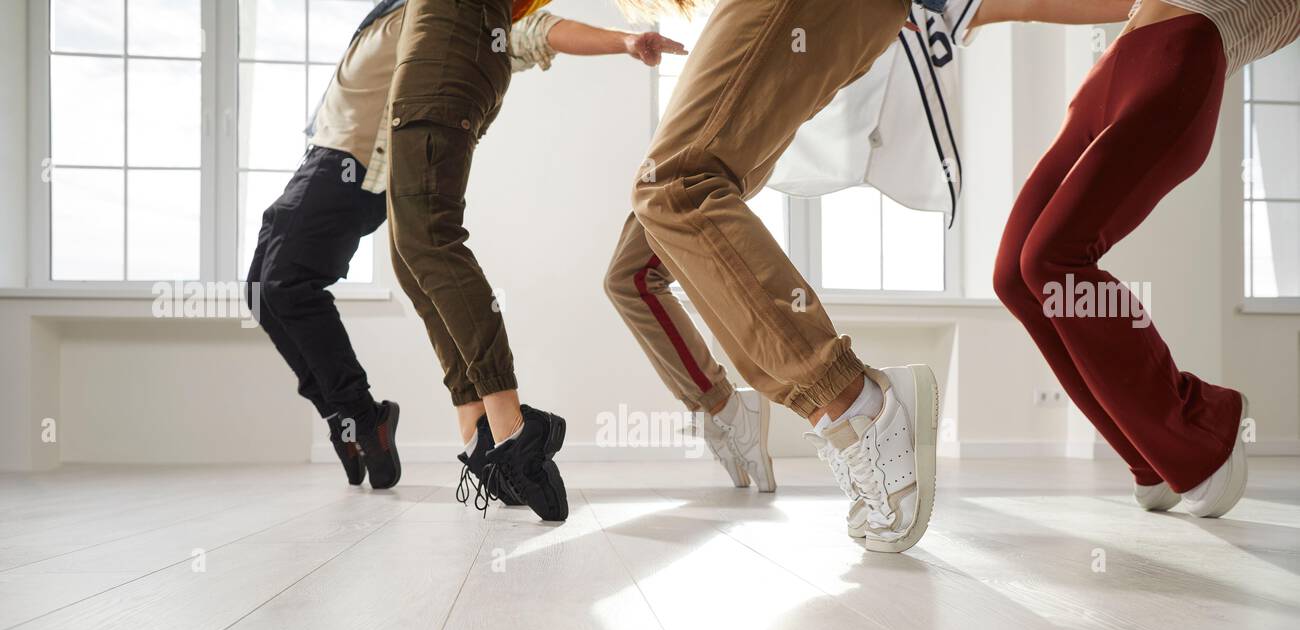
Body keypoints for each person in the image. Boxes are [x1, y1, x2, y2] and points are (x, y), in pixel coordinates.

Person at [606, 0, 1133, 500]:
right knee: (637, 261)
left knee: (674, 184)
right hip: (855, 23)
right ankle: (733, 409)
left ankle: (856, 410)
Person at [248, 0, 682, 496]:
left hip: (354, 164)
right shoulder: (390, 14)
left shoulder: (446, 17)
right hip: (321, 153)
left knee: (290, 284)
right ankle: (352, 416)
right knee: (260, 288)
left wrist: (623, 41)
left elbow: (535, 30)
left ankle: (366, 418)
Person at [994, 0, 1299, 519]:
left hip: (1183, 56)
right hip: (1111, 69)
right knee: (1015, 277)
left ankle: (1201, 424)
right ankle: (1151, 457)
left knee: (1052, 258)